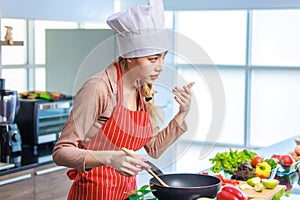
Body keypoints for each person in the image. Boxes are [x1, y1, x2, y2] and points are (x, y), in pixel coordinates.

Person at [52, 0, 194, 199]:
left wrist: (182, 114)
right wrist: (109, 158)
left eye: (163, 57)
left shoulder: (142, 89)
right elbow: (61, 152)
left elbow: (153, 148)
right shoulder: (98, 88)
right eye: (153, 59)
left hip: (127, 193)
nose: (160, 66)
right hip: (93, 193)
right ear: (130, 57)